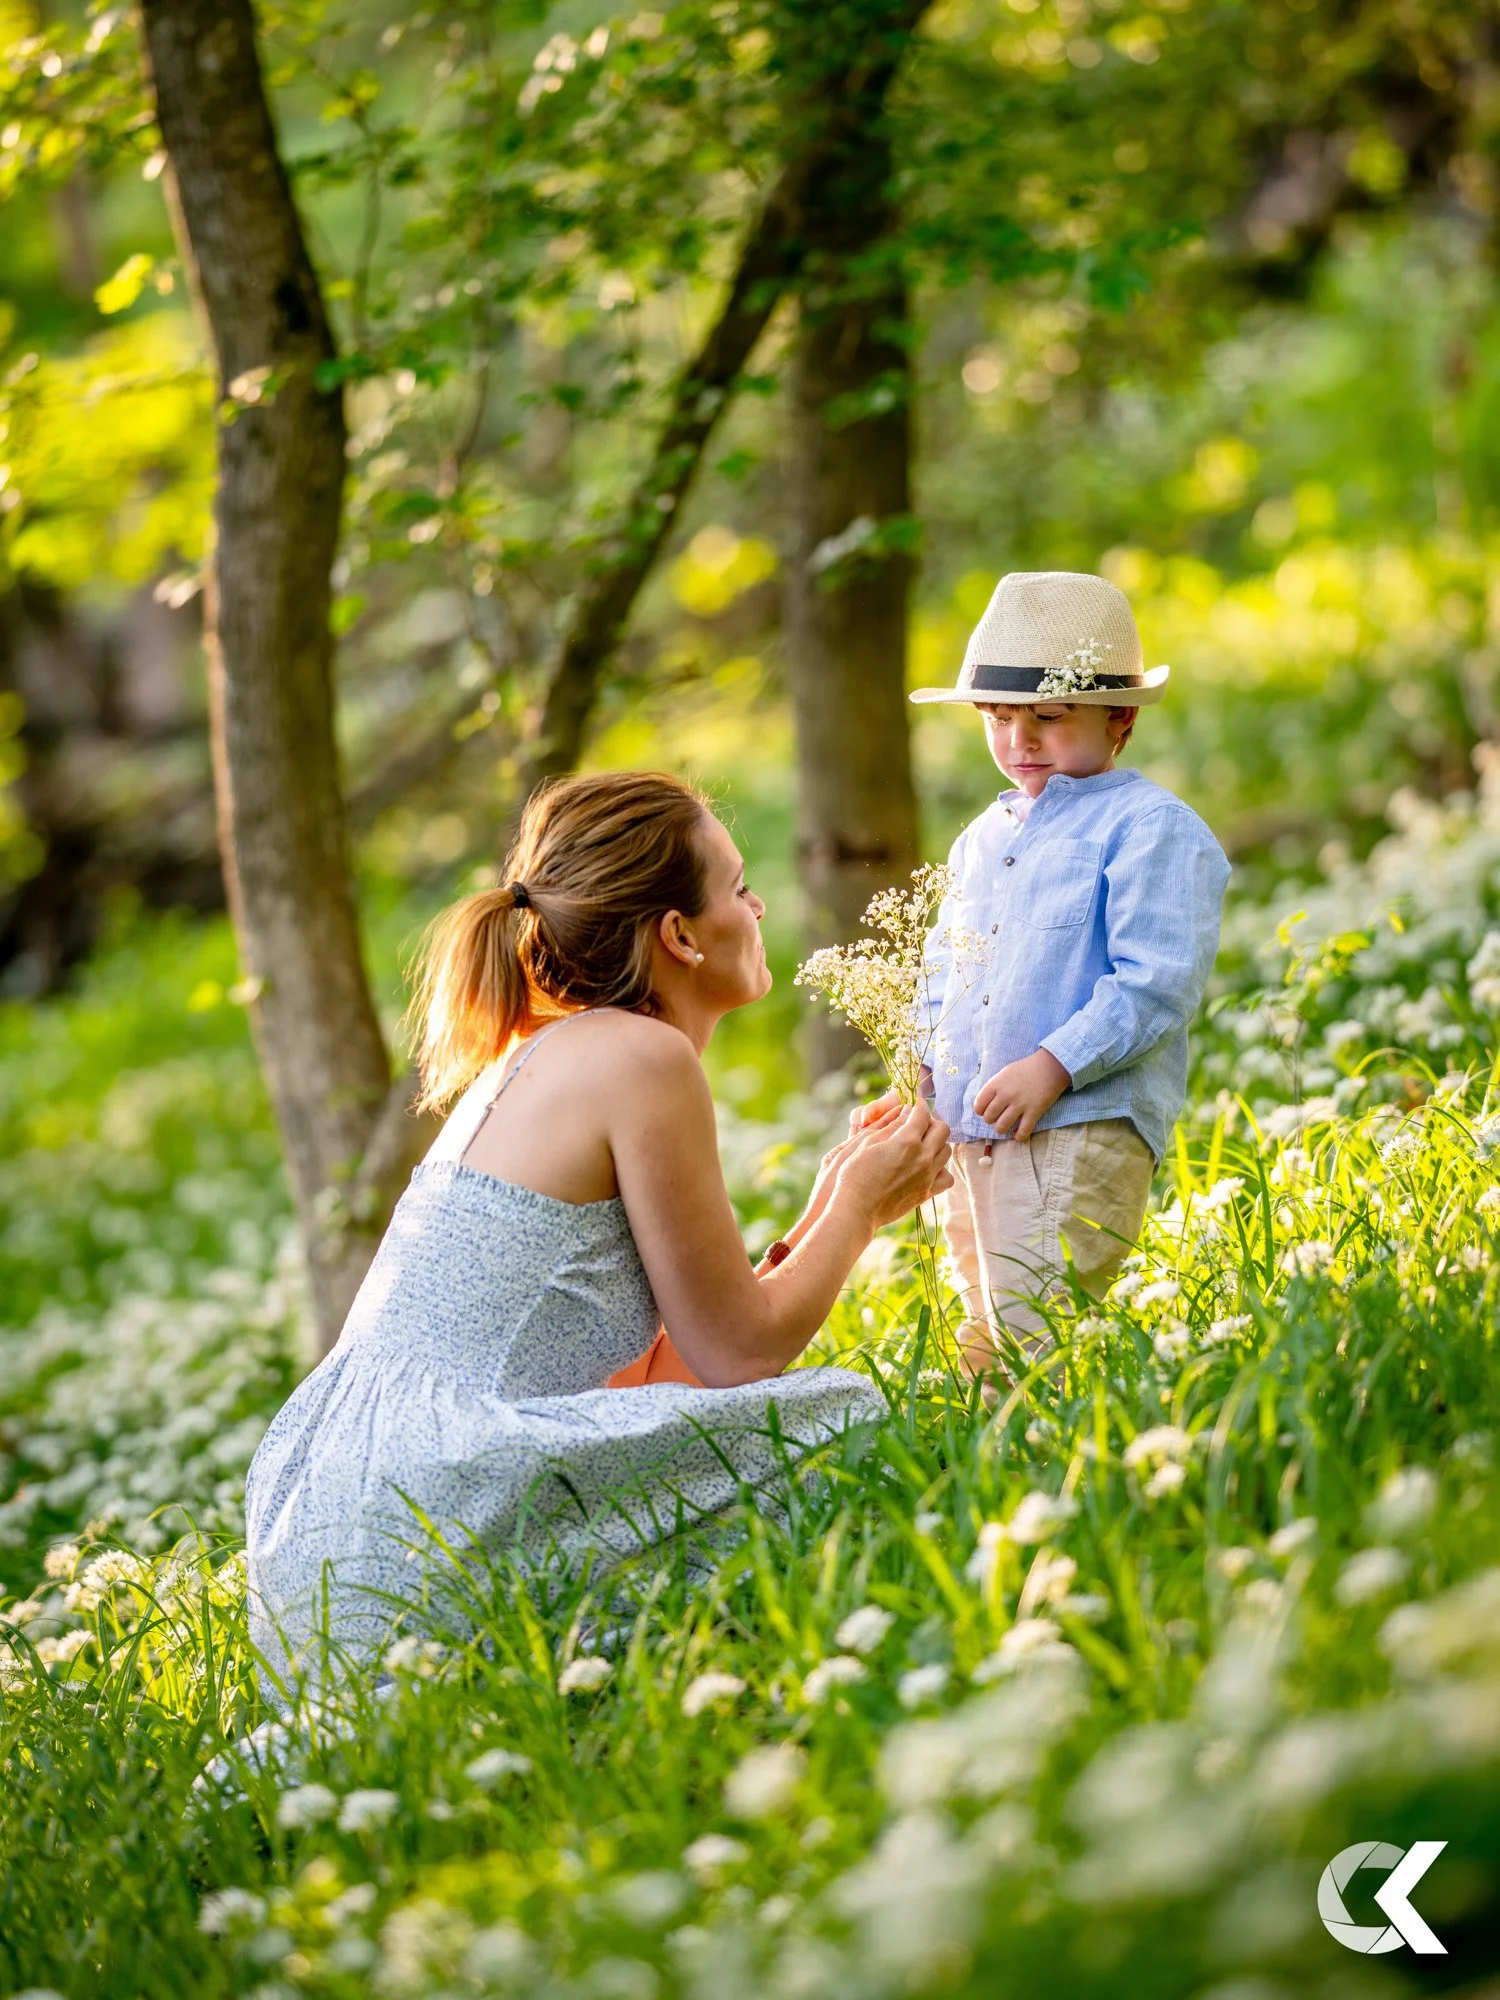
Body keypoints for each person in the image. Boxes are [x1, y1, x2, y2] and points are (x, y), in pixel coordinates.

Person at [244, 770, 951, 1684]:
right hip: (432, 1508)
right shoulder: (642, 1056)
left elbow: (665, 1377)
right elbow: (739, 1358)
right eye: (738, 887)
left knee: (781, 1432)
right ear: (680, 936)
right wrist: (860, 1211)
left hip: (328, 1546)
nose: (760, 903)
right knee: (854, 1422)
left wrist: (826, 1198)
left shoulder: (543, 1053)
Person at [906, 569, 1229, 1372]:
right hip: (973, 1130)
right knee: (980, 1328)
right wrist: (921, 1066)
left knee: (1037, 1334)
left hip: (1075, 1126)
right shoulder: (983, 836)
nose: (1021, 742)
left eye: (1049, 717)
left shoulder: (1149, 828)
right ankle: (983, 1481)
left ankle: (1062, 1474)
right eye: (999, 717)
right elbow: (946, 963)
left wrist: (1053, 1064)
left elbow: (1157, 980)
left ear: (1119, 719)